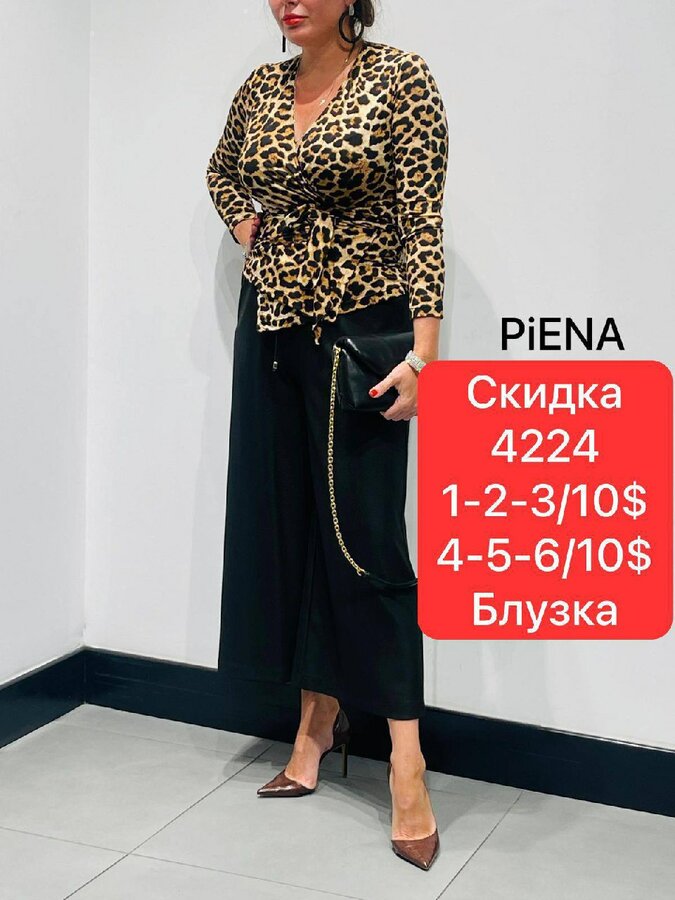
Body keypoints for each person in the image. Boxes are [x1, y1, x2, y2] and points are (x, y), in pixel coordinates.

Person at [205, 0, 448, 871]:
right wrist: (245, 222)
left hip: (361, 336)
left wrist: (423, 355)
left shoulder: (399, 78)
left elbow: (422, 218)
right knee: (291, 528)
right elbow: (222, 170)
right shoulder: (260, 88)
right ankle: (314, 725)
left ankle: (408, 764)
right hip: (271, 332)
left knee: (366, 545)